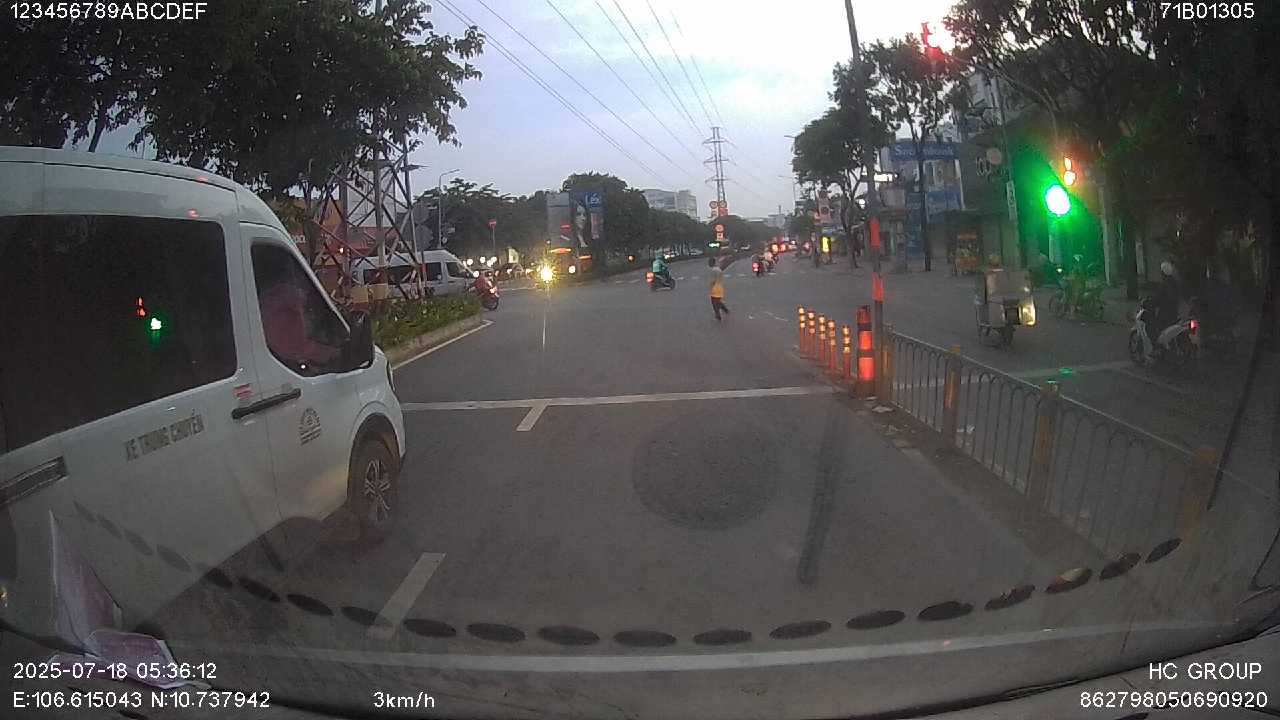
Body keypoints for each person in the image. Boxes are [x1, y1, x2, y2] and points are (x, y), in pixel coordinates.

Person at [708, 256, 730, 321]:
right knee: (717, 301)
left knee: (714, 303)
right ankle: (725, 310)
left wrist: (710, 288)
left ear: (711, 263)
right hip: (720, 287)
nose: (708, 264)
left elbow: (713, 281)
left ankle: (718, 316)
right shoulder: (718, 269)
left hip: (715, 288)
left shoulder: (713, 270)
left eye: (709, 262)